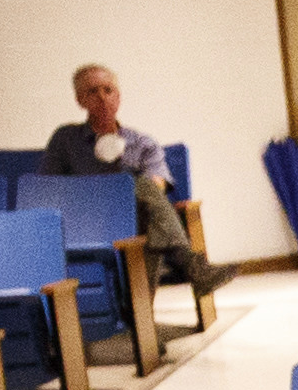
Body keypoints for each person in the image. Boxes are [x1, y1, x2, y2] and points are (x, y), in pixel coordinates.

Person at [40, 62, 213, 286]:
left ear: (118, 97)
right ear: (80, 100)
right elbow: (46, 188)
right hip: (85, 221)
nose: (102, 97)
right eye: (92, 92)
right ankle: (189, 264)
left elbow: (157, 185)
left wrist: (122, 187)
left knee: (148, 200)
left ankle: (138, 313)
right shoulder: (65, 139)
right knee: (152, 213)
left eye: (108, 90)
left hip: (133, 218)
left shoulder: (142, 143)